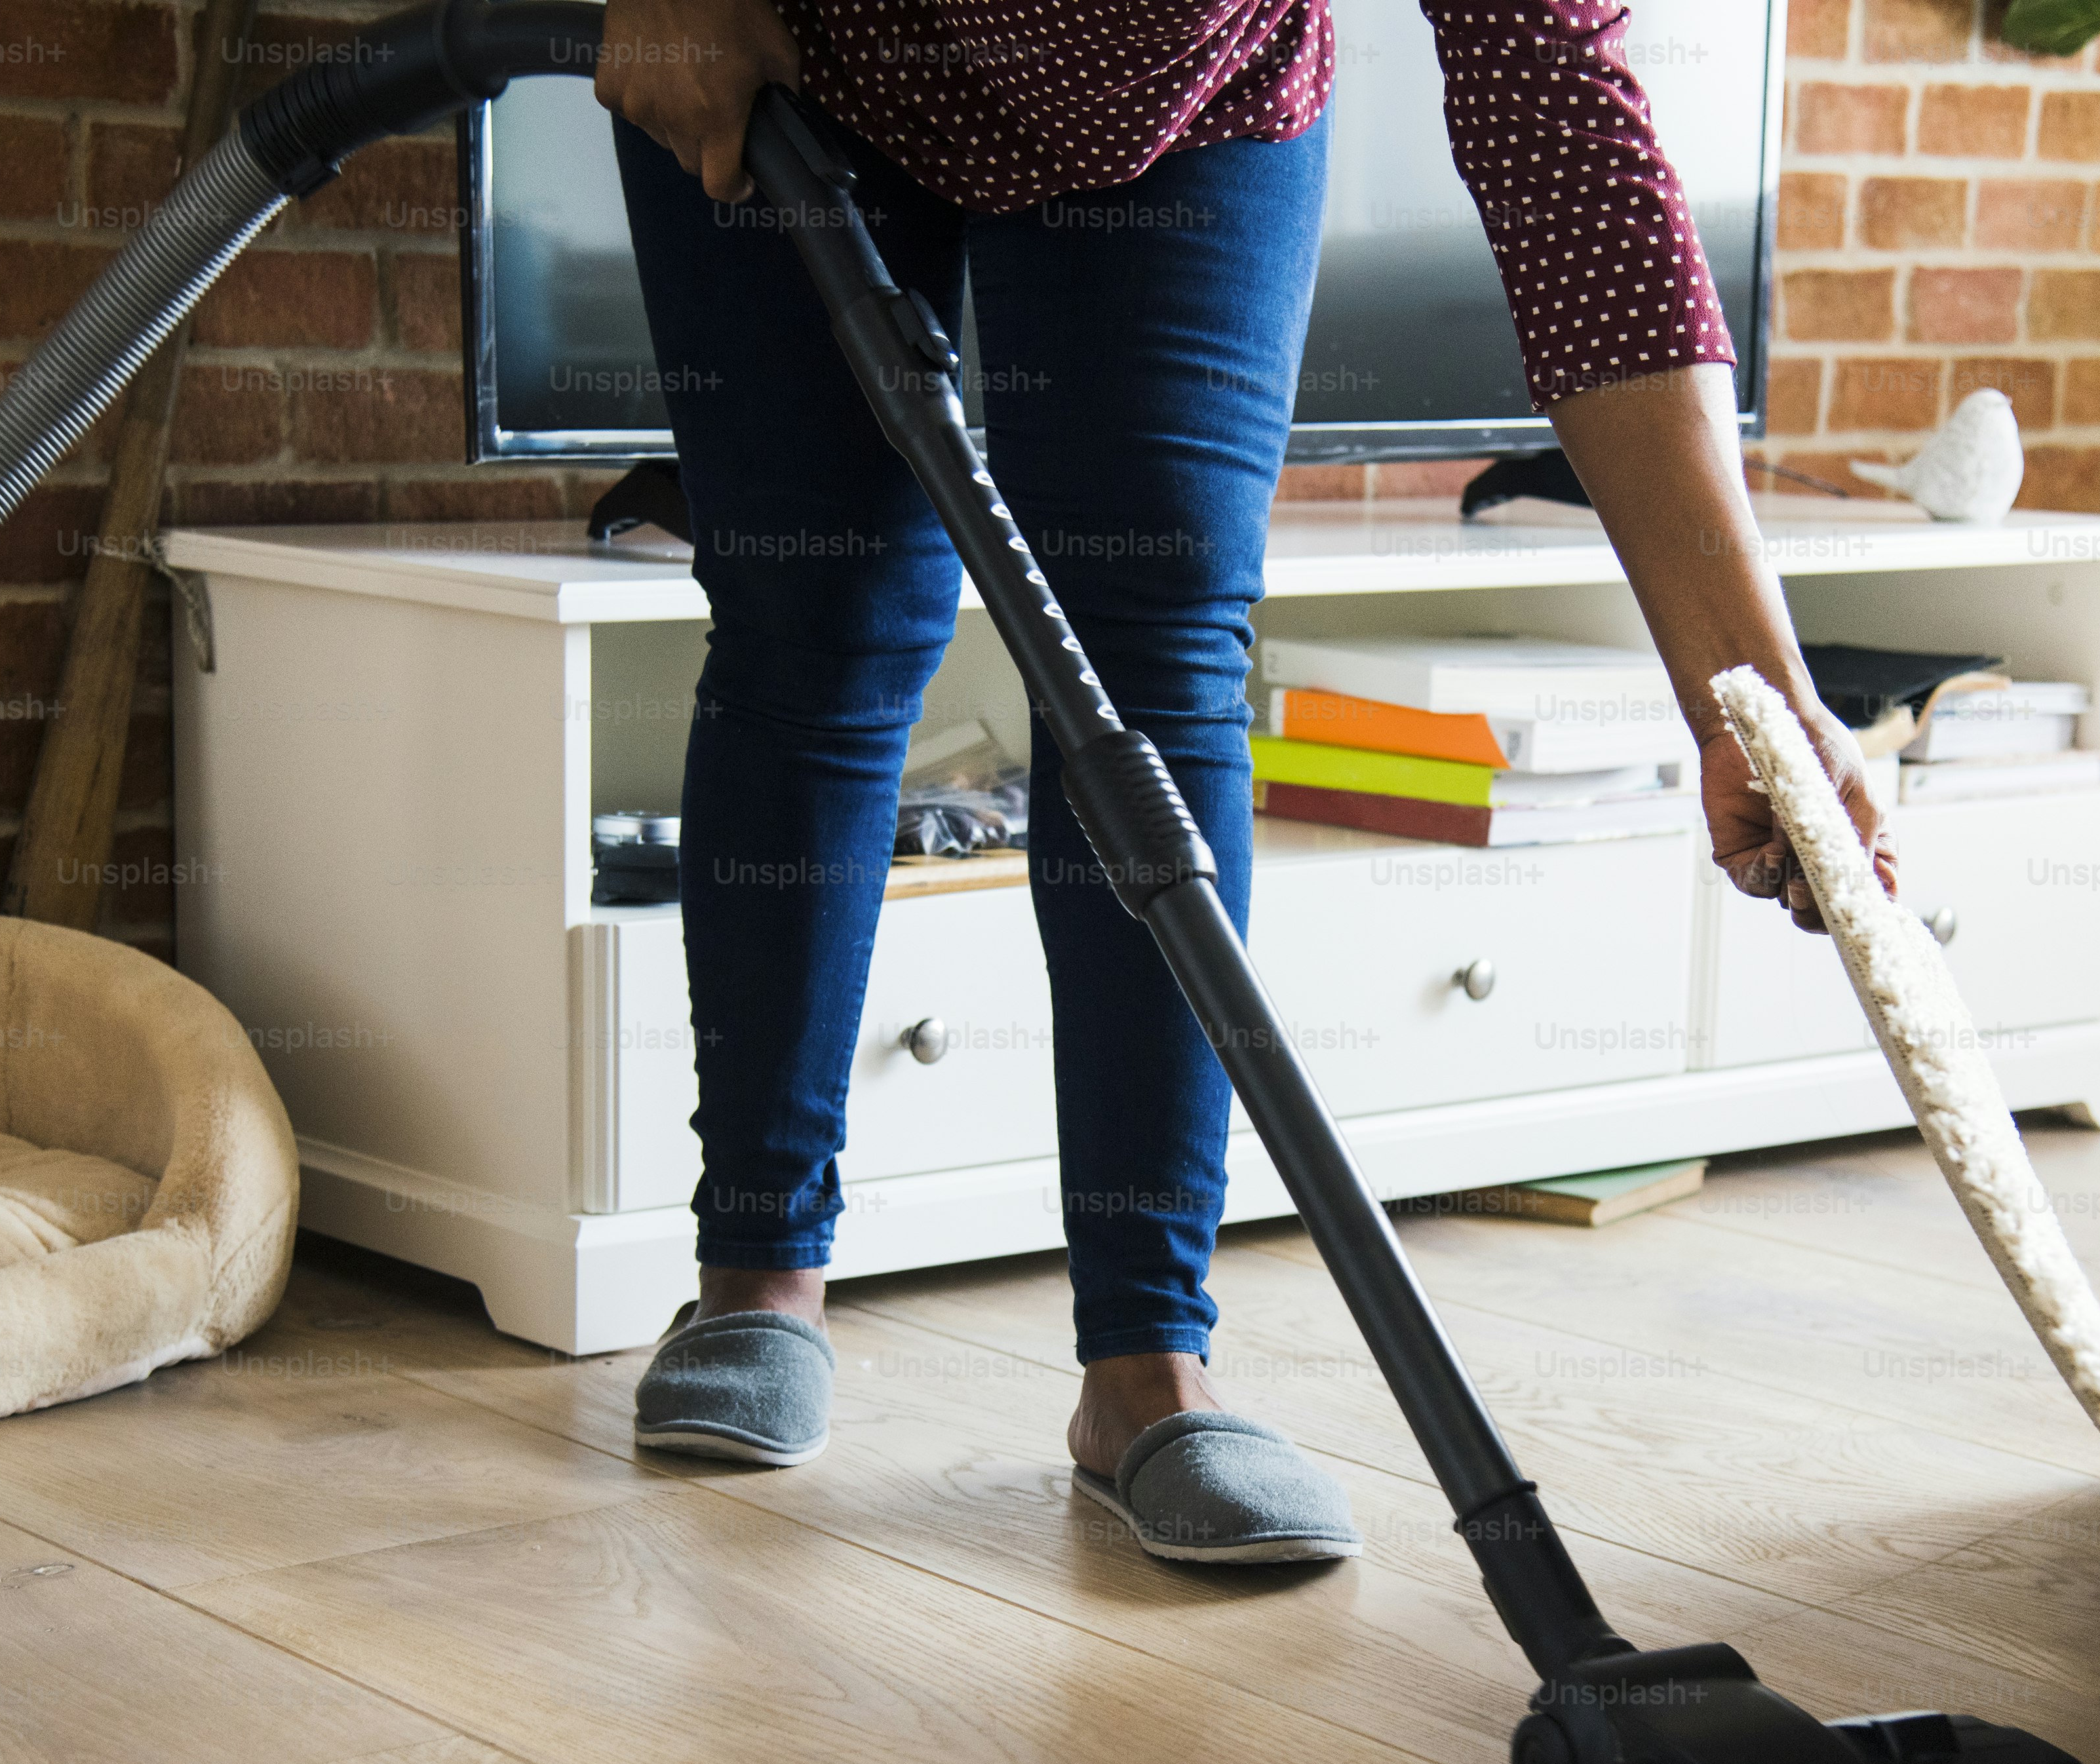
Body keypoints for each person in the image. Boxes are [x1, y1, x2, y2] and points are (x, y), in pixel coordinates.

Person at [608, 0, 1896, 1563]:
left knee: (1146, 664)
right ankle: (756, 1273)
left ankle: (1147, 1365)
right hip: (809, 39)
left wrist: (1745, 698)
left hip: (1177, 97)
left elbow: (1572, 160)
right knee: (815, 621)